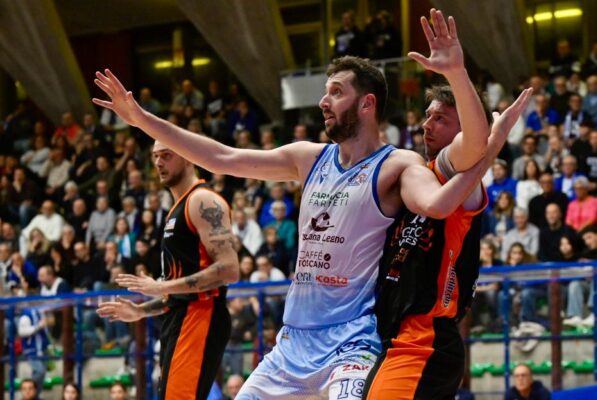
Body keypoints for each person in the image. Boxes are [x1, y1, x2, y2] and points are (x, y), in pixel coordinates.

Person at [92, 9, 521, 398]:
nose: (323, 101)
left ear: (367, 103)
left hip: (353, 342)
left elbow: (443, 196)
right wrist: (141, 119)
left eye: (335, 92)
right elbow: (222, 157)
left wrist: (459, 81)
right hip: (291, 343)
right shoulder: (308, 157)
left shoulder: (399, 165)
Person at [364, 10, 531, 399]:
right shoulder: (416, 178)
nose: (427, 124)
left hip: (425, 339)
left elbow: (472, 143)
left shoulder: (452, 173)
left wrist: (456, 73)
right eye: (427, 116)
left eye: (440, 118)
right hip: (395, 338)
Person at [97, 141, 239, 399]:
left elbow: (229, 270)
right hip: (180, 317)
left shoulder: (202, 200)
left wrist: (162, 286)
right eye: (155, 156)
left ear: (188, 156)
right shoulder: (176, 209)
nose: (158, 163)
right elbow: (177, 291)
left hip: (201, 316)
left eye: (166, 155)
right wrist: (141, 311)